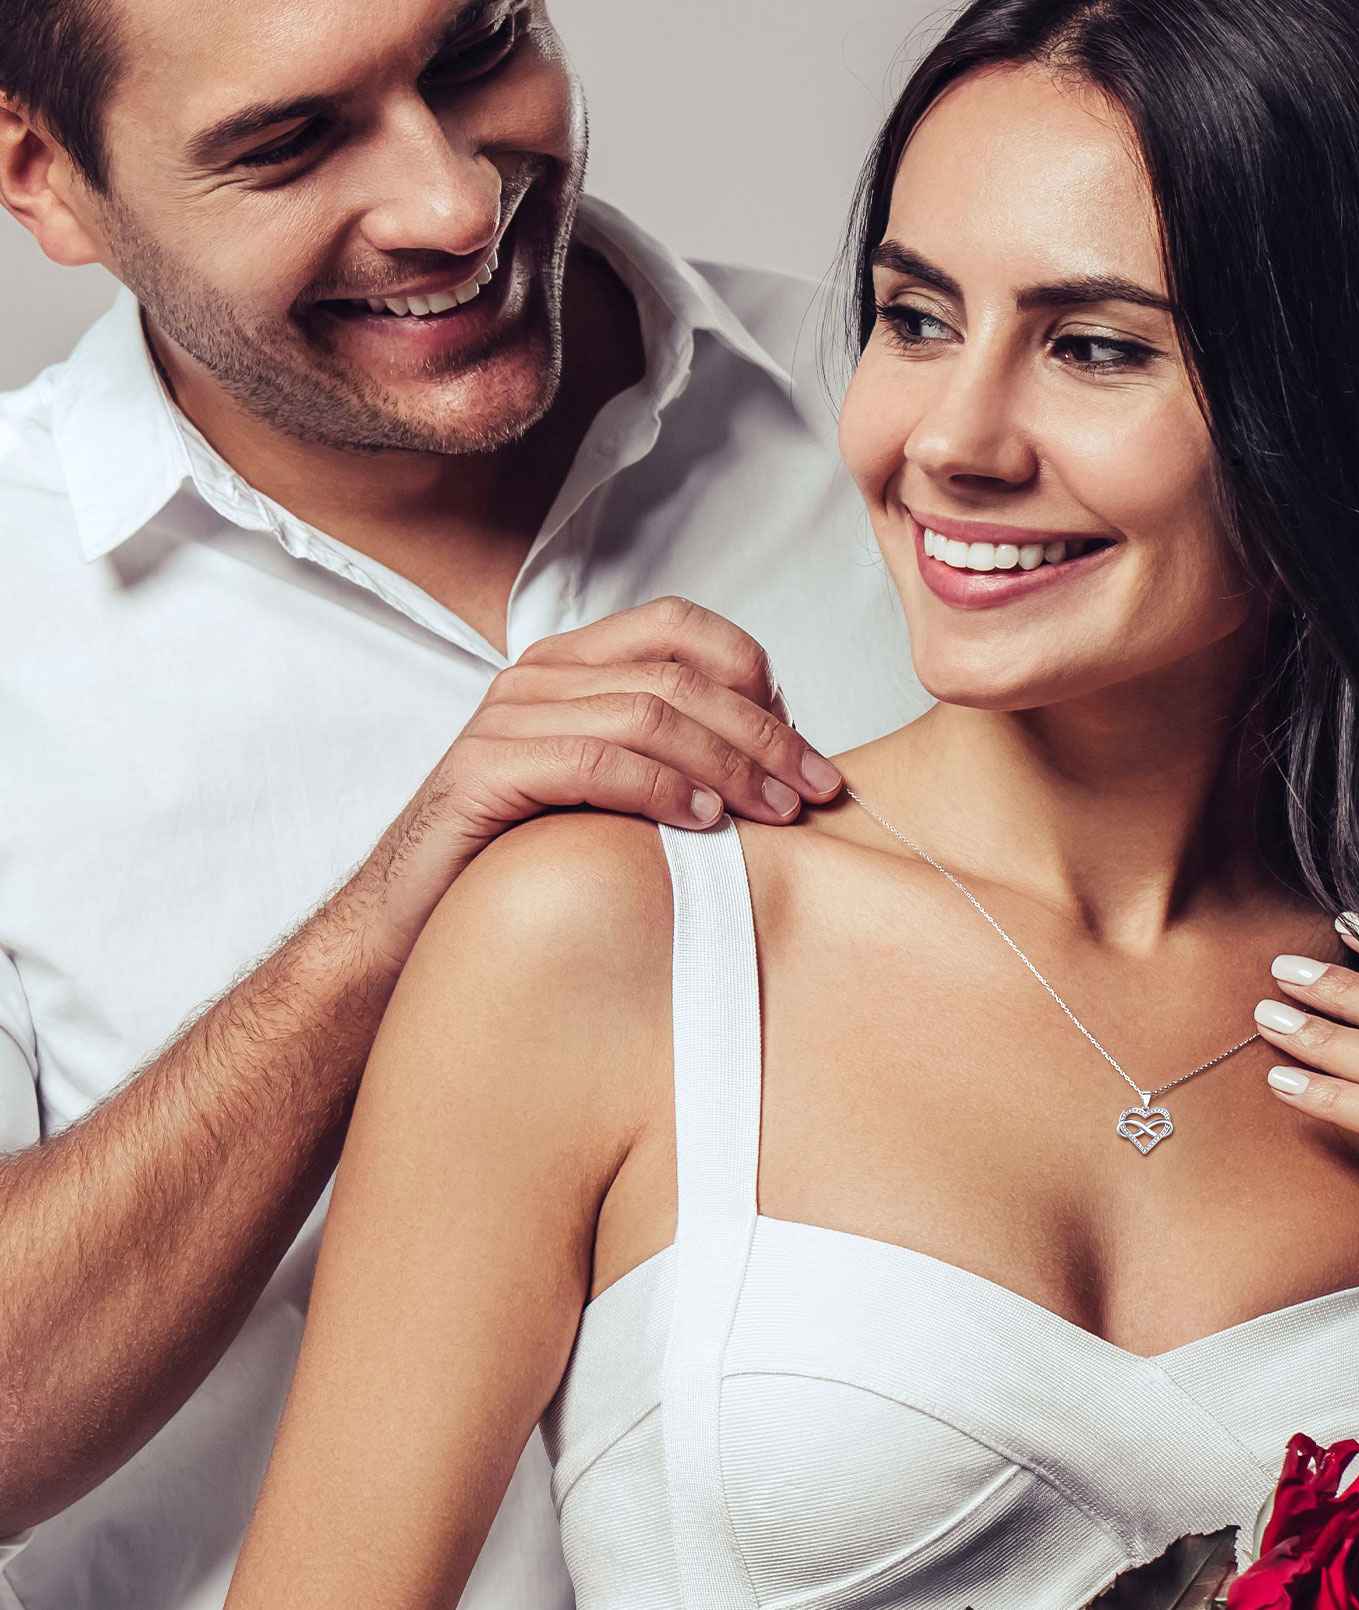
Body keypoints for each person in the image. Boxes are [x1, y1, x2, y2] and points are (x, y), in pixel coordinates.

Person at [218, 0, 1359, 1605]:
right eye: (915, 317)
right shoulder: (607, 935)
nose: (950, 441)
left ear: (1340, 402)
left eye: (1095, 346)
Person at [0, 1, 932, 1605]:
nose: (448, 204)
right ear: (47, 178)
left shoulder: (923, 429)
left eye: (474, 50)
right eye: (289, 143)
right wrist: (388, 921)